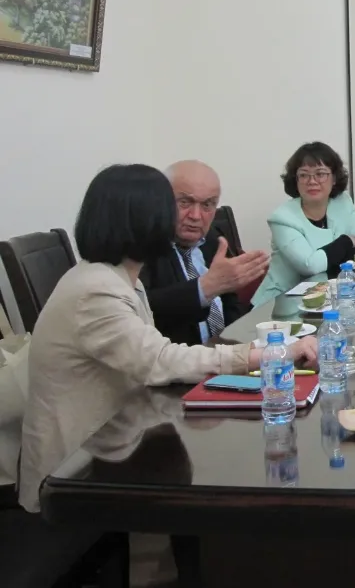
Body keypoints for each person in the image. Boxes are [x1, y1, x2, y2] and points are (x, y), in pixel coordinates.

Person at [18, 164, 318, 513]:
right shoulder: (96, 291)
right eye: (174, 208)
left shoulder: (117, 278)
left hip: (115, 445)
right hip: (73, 476)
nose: (188, 219)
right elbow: (161, 360)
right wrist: (269, 353)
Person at [141, 160, 269, 346]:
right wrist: (204, 289)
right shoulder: (142, 246)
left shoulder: (213, 238)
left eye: (207, 204)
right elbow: (142, 310)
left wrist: (240, 346)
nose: (196, 216)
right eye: (185, 202)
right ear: (161, 201)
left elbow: (230, 302)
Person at [252, 142, 355, 304]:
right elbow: (309, 266)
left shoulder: (342, 203)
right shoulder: (282, 218)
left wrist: (330, 259)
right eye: (304, 175)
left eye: (320, 173)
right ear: (295, 180)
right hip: (281, 303)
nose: (312, 181)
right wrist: (346, 242)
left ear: (334, 178)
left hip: (327, 300)